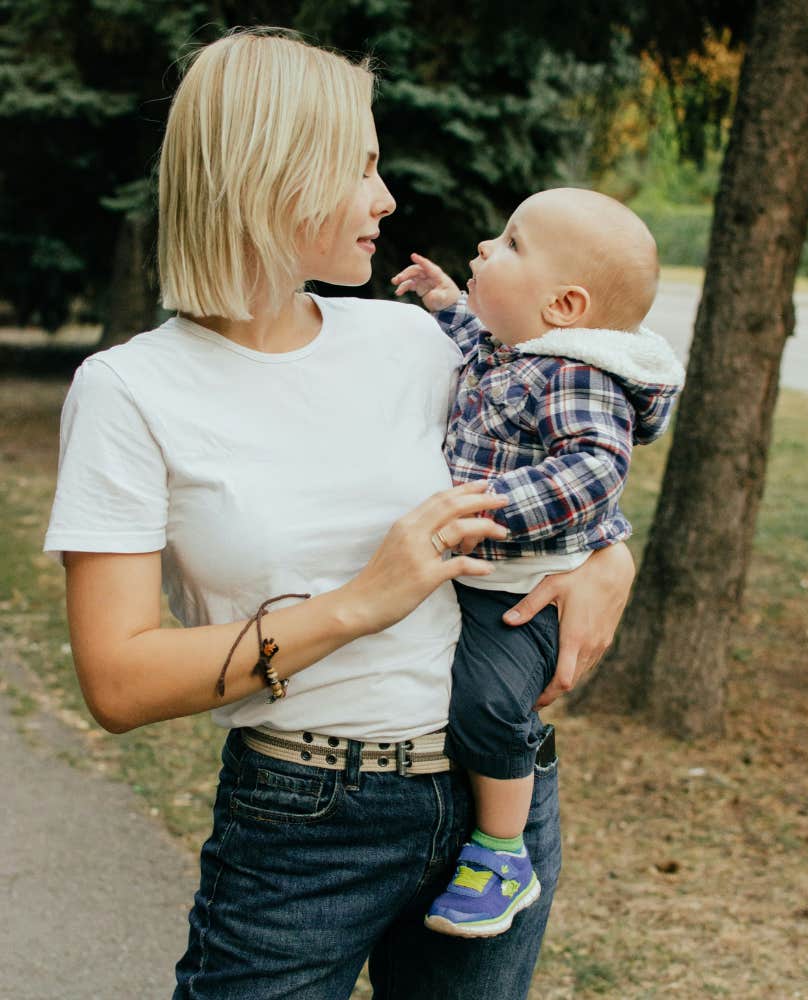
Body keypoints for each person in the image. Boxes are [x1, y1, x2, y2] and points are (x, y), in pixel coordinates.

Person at [43, 28, 636, 1000]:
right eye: (361, 164)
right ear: (273, 170)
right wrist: (359, 602)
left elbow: (569, 458)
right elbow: (117, 678)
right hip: (303, 822)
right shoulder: (129, 391)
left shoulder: (415, 340)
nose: (385, 196)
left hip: (497, 809)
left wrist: (610, 556)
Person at [392, 188, 685, 938]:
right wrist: (448, 300)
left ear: (565, 305)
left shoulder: (577, 376)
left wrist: (481, 507)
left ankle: (499, 854)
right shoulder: (521, 348)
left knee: (487, 702)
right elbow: (481, 342)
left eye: (512, 244)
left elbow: (593, 470)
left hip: (524, 591)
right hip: (488, 572)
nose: (488, 246)